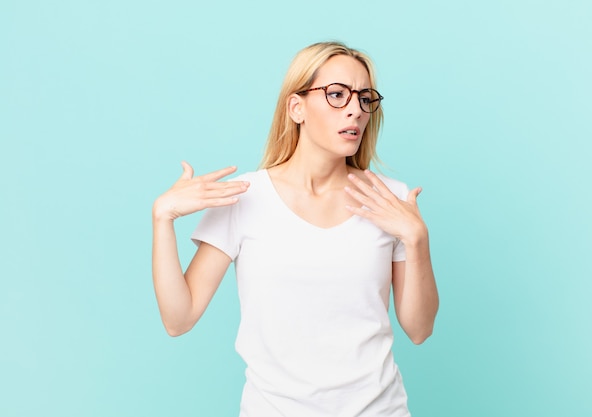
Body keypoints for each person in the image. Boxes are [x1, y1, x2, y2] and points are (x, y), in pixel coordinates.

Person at [152, 41, 439, 417]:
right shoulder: (245, 197)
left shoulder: (391, 200)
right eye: (337, 94)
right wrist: (163, 218)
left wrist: (417, 240)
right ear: (296, 107)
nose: (355, 109)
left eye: (365, 98)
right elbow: (179, 318)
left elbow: (419, 330)